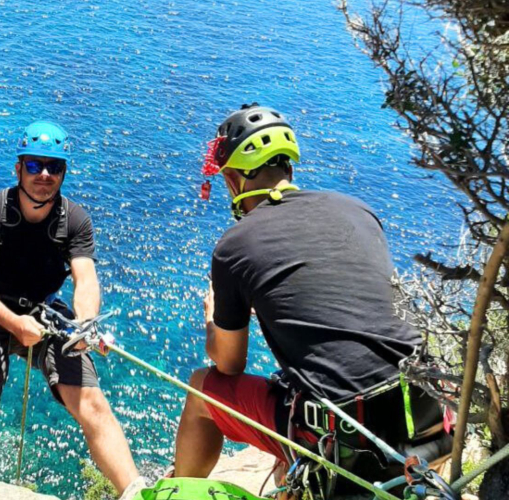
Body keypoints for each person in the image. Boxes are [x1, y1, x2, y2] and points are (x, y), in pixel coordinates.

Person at [173, 104, 446, 493]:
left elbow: (229, 364)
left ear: (232, 180)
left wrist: (212, 319)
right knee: (294, 391)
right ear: (289, 167)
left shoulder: (234, 246)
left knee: (202, 388)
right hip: (428, 416)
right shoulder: (358, 210)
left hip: (350, 438)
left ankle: (179, 490)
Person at [0, 120, 140, 495]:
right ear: (18, 168)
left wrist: (86, 324)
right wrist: (14, 323)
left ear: (63, 172)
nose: (44, 174)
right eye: (34, 165)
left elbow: (85, 278)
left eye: (54, 166)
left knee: (92, 404)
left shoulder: (74, 220)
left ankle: (136, 493)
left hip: (45, 315)